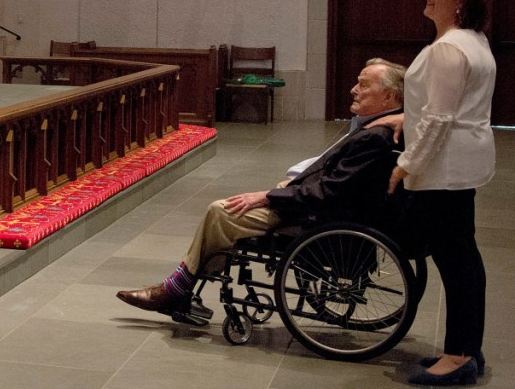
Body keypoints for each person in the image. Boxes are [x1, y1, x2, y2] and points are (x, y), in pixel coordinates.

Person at [117, 58, 408, 323]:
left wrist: (269, 196)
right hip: (323, 205)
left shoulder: (375, 137)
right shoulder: (379, 127)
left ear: (390, 97)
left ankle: (177, 288)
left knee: (221, 211)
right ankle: (183, 285)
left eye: (364, 85)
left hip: (317, 217)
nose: (353, 89)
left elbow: (330, 193)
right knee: (234, 208)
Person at [373, 0, 495, 386]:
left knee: (455, 259)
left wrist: (406, 164)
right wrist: (406, 117)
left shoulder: (448, 48)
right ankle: (466, 347)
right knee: (464, 257)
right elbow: (451, 107)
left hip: (445, 167)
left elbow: (441, 118)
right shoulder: (474, 41)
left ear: (460, 3)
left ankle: (459, 355)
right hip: (465, 163)